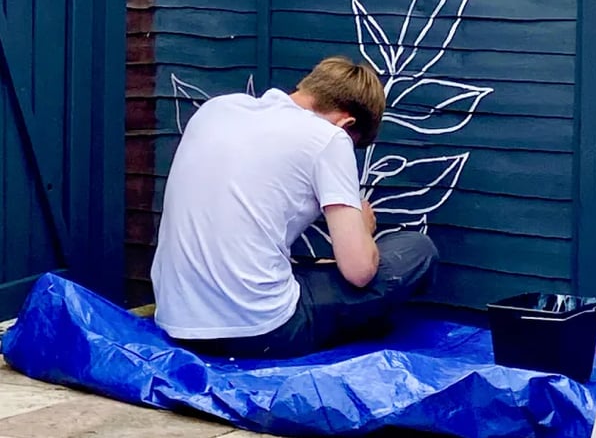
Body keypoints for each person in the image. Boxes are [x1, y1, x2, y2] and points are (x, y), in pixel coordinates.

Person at [150, 56, 439, 358]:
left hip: (178, 321)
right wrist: (364, 230)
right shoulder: (330, 138)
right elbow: (359, 272)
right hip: (262, 331)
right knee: (416, 250)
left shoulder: (216, 109)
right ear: (346, 123)